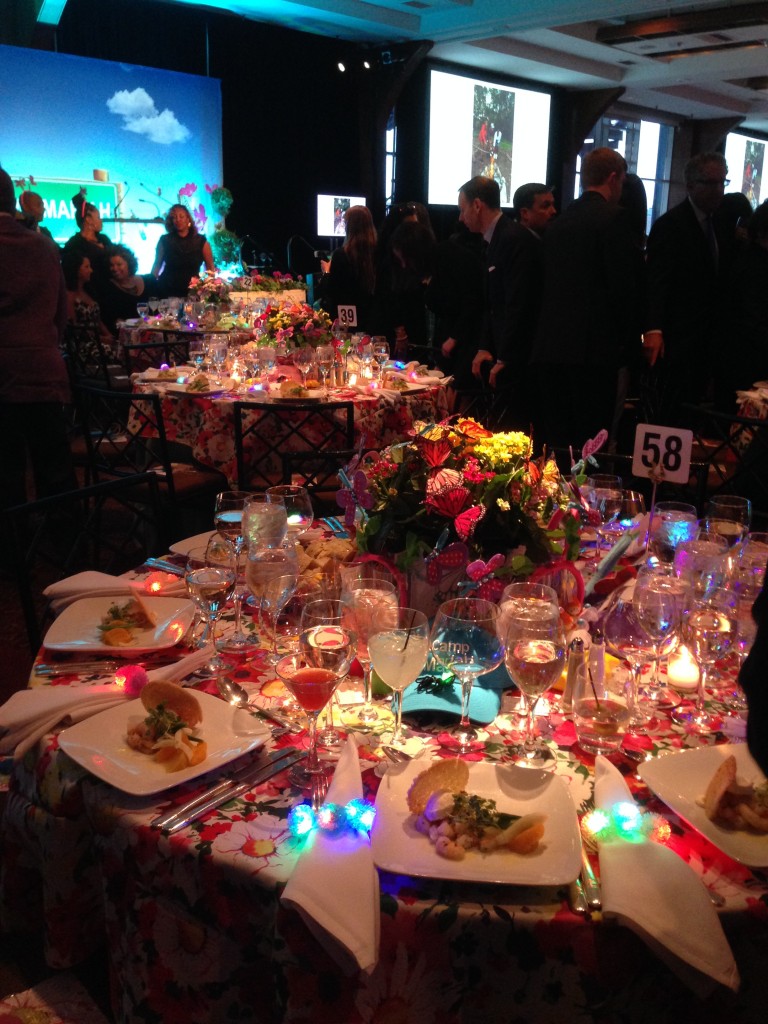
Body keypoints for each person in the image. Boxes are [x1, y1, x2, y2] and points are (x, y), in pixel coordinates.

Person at [530, 148, 646, 451]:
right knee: (591, 445)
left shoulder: (558, 222)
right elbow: (622, 291)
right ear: (613, 178)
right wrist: (631, 348)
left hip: (549, 348)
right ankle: (587, 500)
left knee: (558, 444)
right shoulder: (614, 219)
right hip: (593, 353)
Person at [0, 167, 76, 509]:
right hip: (44, 371)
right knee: (55, 473)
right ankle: (68, 555)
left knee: (7, 478)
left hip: (5, 378)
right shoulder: (44, 246)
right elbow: (61, 315)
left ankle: (15, 556)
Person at [457, 177, 555, 430]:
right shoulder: (499, 238)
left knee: (516, 428)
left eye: (462, 209)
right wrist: (484, 346)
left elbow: (518, 303)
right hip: (507, 351)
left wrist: (505, 358)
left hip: (523, 358)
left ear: (477, 205)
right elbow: (493, 303)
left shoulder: (514, 239)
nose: (460, 217)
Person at [645, 152, 730, 422]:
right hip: (677, 339)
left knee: (694, 413)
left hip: (708, 338)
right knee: (671, 412)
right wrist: (654, 329)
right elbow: (658, 281)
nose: (718, 190)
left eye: (722, 183)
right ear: (691, 185)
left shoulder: (721, 224)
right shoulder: (671, 225)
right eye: (711, 183)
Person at [389, 219, 485, 402]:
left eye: (404, 259)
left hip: (469, 343)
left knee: (453, 401)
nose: (403, 266)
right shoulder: (438, 262)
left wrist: (454, 337)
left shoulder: (450, 258)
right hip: (455, 346)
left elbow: (473, 302)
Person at [317, 205, 377, 333]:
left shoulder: (342, 254)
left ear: (350, 226)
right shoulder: (380, 252)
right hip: (373, 319)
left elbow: (331, 290)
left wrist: (327, 271)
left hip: (345, 320)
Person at [62, 249, 116, 364]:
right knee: (111, 351)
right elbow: (74, 328)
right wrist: (101, 339)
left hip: (96, 339)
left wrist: (108, 335)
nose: (91, 270)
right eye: (86, 267)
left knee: (123, 347)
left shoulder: (88, 290)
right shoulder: (68, 295)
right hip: (80, 344)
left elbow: (97, 319)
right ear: (75, 269)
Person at [62, 190, 113, 307]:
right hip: (89, 295)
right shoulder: (75, 244)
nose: (101, 220)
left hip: (109, 291)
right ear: (88, 220)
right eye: (99, 217)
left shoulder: (104, 239)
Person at [151, 203, 214, 298]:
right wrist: (149, 286)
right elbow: (157, 265)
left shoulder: (201, 241)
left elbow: (210, 269)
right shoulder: (164, 240)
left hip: (193, 291)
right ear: (171, 221)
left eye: (181, 216)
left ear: (188, 219)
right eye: (174, 217)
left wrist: (208, 289)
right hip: (167, 290)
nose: (178, 220)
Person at [101, 244, 153, 334]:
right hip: (127, 334)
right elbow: (110, 318)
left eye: (119, 264)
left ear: (129, 264)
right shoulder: (108, 287)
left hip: (152, 329)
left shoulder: (148, 281)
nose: (114, 268)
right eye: (111, 265)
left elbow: (158, 309)